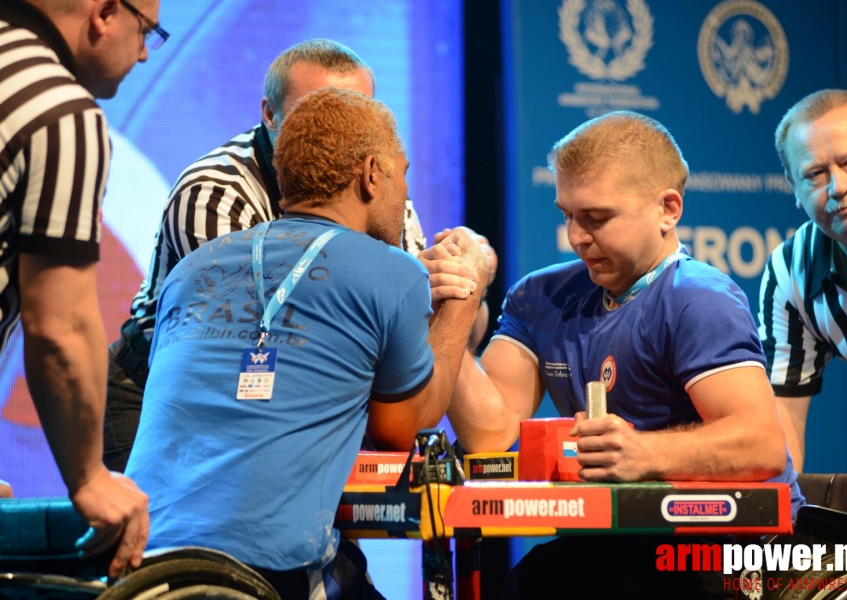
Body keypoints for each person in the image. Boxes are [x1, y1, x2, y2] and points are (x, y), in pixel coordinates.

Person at [125, 87, 488, 600]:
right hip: (263, 575)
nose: (405, 194)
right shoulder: (393, 273)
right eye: (402, 173)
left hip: (140, 560)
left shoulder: (189, 271)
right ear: (370, 174)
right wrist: (466, 293)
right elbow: (406, 428)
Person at [423, 111, 802, 598]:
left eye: (597, 218)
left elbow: (762, 446)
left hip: (727, 552)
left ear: (668, 209)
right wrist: (458, 300)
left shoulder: (698, 298)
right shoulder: (540, 297)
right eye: (568, 215)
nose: (576, 237)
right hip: (619, 543)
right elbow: (491, 434)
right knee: (532, 584)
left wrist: (645, 452)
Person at [105, 38, 496, 472]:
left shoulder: (381, 191)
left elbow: (407, 337)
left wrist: (453, 284)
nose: (340, 130)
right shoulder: (216, 192)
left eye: (358, 112)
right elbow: (259, 335)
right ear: (270, 115)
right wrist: (398, 288)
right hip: (161, 396)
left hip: (292, 402)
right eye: (319, 110)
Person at [0, 0, 161, 577]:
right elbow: (60, 327)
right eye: (147, 31)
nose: (144, 52)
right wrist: (90, 478)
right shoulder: (61, 113)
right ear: (106, 13)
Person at [759, 89, 847, 473]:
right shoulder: (791, 268)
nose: (837, 187)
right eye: (815, 174)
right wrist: (782, 523)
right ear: (792, 184)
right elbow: (781, 421)